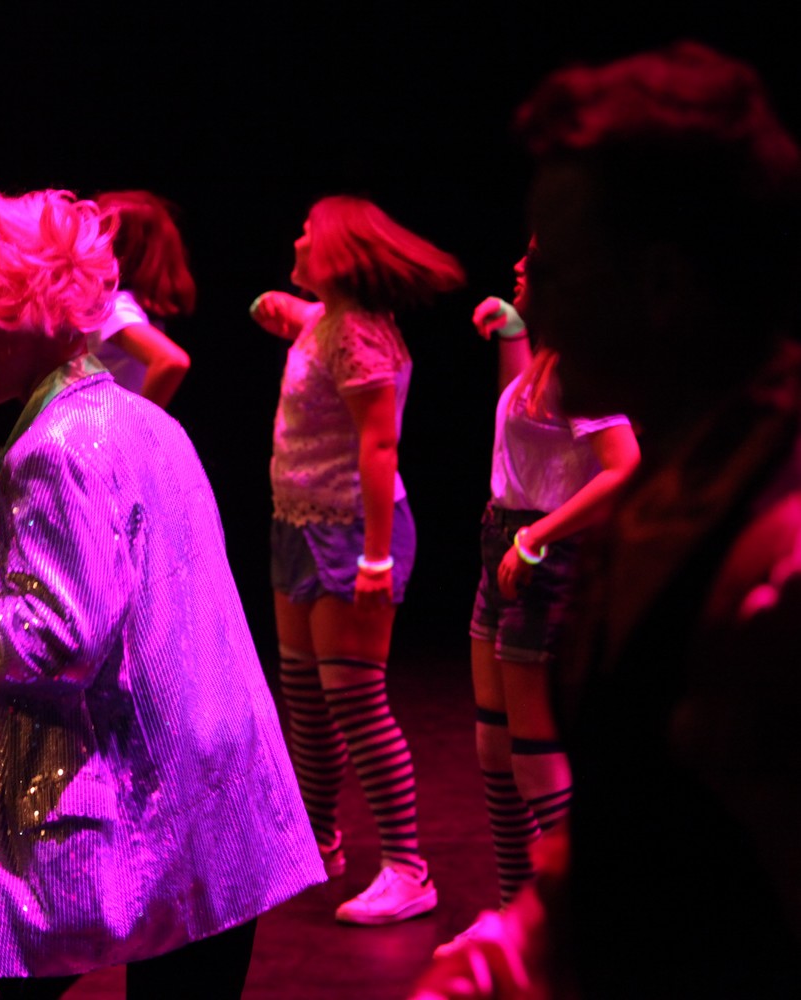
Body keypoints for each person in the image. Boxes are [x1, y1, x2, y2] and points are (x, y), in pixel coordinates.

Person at [413, 42, 801, 999]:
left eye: (559, 267)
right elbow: (637, 850)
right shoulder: (669, 496)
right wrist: (512, 957)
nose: (533, 296)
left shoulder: (779, 555)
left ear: (661, 286)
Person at [0, 188, 322, 998]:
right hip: (215, 791)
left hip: (140, 798)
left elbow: (54, 641)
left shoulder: (57, 447)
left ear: (26, 312)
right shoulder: (149, 423)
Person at [249, 194, 463, 924]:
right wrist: (284, 310)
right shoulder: (328, 321)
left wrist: (375, 558)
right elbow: (301, 319)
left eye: (308, 232)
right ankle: (318, 840)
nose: (297, 240)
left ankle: (409, 868)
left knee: (355, 701)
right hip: (297, 523)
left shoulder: (360, 336)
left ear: (337, 254)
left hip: (349, 534)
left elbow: (379, 444)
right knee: (306, 697)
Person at [441, 252, 637, 953]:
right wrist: (513, 336)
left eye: (535, 256)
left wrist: (538, 539)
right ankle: (516, 911)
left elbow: (624, 467)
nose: (519, 264)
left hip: (542, 552)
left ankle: (581, 921)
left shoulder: (585, 364)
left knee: (533, 753)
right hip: (502, 537)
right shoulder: (548, 360)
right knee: (493, 745)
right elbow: (522, 421)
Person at [88, 190, 193, 407]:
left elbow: (171, 360)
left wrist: (136, 422)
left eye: (94, 235)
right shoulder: (131, 306)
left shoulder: (113, 308)